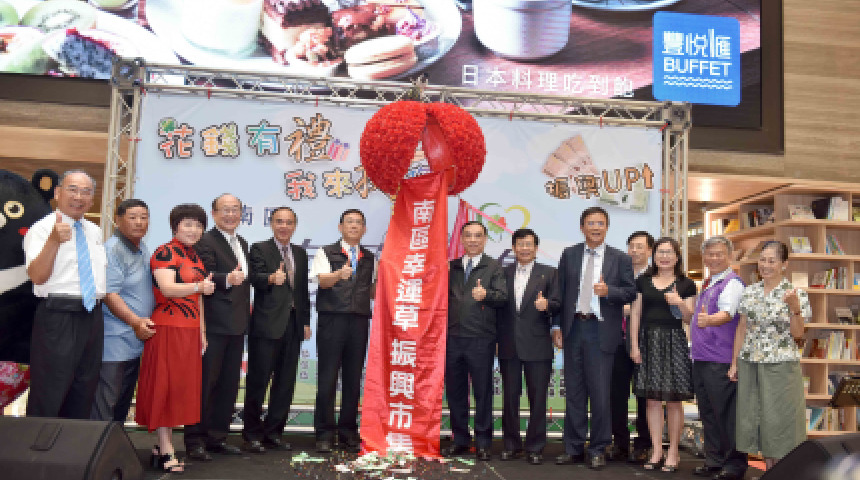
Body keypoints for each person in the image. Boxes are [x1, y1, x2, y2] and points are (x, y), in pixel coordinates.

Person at [554, 206, 636, 470]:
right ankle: (573, 448)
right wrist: (556, 326)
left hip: (602, 331)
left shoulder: (620, 258)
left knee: (600, 394)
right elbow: (559, 293)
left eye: (601, 223)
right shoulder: (569, 254)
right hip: (574, 329)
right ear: (582, 227)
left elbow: (630, 292)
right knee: (574, 393)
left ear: (607, 227)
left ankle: (599, 448)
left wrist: (608, 291)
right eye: (591, 223)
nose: (596, 227)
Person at [135, 203, 215, 474]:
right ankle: (167, 449)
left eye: (198, 225)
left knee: (179, 390)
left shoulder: (194, 255)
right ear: (175, 227)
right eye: (188, 224)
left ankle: (161, 448)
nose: (194, 230)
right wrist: (199, 285)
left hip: (189, 330)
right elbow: (168, 288)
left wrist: (202, 332)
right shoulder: (165, 252)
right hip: (168, 327)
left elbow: (198, 297)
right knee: (165, 389)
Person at [23, 170, 107, 419]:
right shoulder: (41, 229)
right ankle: (39, 443)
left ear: (92, 199)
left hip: (92, 314)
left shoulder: (94, 231)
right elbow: (37, 276)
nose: (79, 197)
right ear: (58, 193)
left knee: (84, 388)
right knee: (49, 390)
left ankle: (71, 443)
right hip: (58, 315)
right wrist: (53, 241)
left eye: (86, 192)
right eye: (72, 189)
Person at [730, 240, 809, 469]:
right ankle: (769, 470)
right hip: (750, 363)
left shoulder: (796, 294)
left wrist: (794, 308)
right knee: (757, 419)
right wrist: (734, 363)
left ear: (784, 264)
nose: (765, 265)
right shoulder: (750, 291)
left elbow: (798, 333)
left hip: (781, 367)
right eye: (762, 260)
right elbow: (742, 328)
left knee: (780, 422)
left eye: (772, 261)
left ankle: (780, 472)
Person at [185, 193, 252, 460]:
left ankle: (217, 437)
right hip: (213, 324)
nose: (231, 214)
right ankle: (195, 440)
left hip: (237, 325)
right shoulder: (205, 241)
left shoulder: (242, 243)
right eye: (225, 209)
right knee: (205, 384)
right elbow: (204, 274)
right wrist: (227, 279)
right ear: (214, 214)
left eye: (235, 209)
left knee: (228, 385)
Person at [242, 207, 311, 453]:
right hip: (266, 325)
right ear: (271, 224)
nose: (284, 226)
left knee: (285, 383)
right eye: (279, 222)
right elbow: (254, 278)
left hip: (293, 325)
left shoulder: (300, 253)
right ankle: (252, 434)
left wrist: (305, 322)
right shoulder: (259, 248)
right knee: (258, 381)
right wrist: (271, 278)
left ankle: (274, 433)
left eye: (289, 222)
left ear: (295, 226)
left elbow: (302, 291)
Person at [311, 209, 376, 453]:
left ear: (364, 229)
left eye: (358, 223)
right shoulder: (326, 251)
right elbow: (322, 281)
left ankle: (348, 431)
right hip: (332, 319)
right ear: (340, 227)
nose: (354, 226)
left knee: (353, 378)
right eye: (349, 222)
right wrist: (339, 274)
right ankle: (325, 433)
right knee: (327, 378)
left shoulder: (370, 257)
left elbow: (372, 292)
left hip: (359, 321)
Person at [630, 237, 697, 473]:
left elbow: (690, 319)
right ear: (654, 255)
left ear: (677, 257)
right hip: (648, 342)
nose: (664, 256)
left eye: (669, 252)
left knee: (674, 401)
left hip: (674, 342)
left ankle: (673, 452)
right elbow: (635, 314)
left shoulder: (686, 284)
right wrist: (634, 345)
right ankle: (657, 450)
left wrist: (679, 303)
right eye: (660, 252)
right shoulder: (643, 281)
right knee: (651, 400)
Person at [443, 220, 507, 461]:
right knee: (455, 392)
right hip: (452, 338)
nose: (472, 240)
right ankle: (460, 439)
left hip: (481, 338)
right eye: (468, 235)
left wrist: (486, 294)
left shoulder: (493, 266)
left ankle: (483, 442)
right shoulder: (451, 267)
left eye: (478, 236)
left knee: (482, 392)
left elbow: (503, 297)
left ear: (485, 239)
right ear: (461, 239)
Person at [498, 228, 560, 465]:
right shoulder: (502, 272)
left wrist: (548, 305)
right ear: (513, 248)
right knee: (509, 398)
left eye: (529, 244)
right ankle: (511, 445)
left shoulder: (549, 273)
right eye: (520, 244)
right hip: (508, 344)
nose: (525, 248)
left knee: (538, 399)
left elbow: (559, 303)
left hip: (538, 345)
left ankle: (535, 447)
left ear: (536, 248)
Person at [91, 199, 156, 423]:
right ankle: (99, 445)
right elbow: (110, 294)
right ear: (118, 220)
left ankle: (115, 444)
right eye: (132, 217)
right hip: (114, 341)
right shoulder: (113, 249)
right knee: (105, 405)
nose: (139, 222)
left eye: (144, 217)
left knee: (121, 404)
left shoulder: (141, 247)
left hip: (135, 341)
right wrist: (135, 321)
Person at [691, 236, 747, 480]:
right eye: (710, 254)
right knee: (708, 413)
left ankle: (734, 464)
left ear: (730, 256)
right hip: (702, 358)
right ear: (704, 257)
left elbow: (728, 313)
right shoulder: (709, 282)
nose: (714, 258)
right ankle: (714, 460)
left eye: (719, 254)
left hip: (721, 359)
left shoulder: (732, 283)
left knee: (726, 414)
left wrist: (709, 320)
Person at [608, 231, 654, 463]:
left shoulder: (656, 277)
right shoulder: (617, 274)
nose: (634, 251)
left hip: (646, 344)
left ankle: (643, 444)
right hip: (617, 342)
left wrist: (631, 309)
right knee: (616, 395)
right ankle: (620, 443)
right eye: (631, 246)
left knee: (644, 395)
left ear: (650, 251)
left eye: (639, 247)